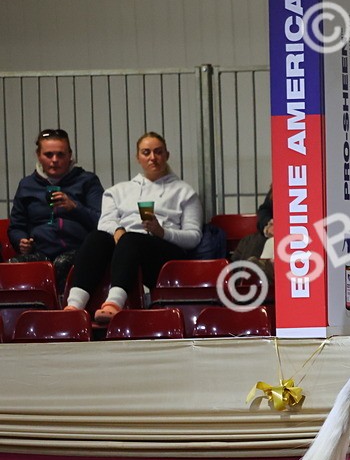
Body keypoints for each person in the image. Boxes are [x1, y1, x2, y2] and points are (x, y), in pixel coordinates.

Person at [65, 132, 203, 322]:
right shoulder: (118, 191)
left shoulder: (185, 192)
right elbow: (105, 222)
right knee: (96, 237)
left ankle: (113, 302)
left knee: (132, 240)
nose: (153, 158)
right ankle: (74, 305)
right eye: (146, 152)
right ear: (137, 157)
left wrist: (162, 232)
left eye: (158, 152)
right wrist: (119, 231)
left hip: (163, 254)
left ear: (167, 155)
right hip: (125, 245)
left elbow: (193, 236)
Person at [6, 128, 104, 287]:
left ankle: (65, 309)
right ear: (38, 156)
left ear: (70, 155)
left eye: (60, 154)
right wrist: (21, 241)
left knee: (62, 264)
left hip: (79, 250)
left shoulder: (87, 181)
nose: (55, 160)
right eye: (48, 155)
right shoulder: (27, 185)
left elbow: (103, 221)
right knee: (11, 269)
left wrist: (74, 207)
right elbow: (16, 226)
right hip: (40, 251)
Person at [231, 186, 275, 283]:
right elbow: (265, 210)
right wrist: (268, 224)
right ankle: (245, 282)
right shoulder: (281, 181)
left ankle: (258, 276)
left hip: (301, 231)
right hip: (274, 231)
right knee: (250, 242)